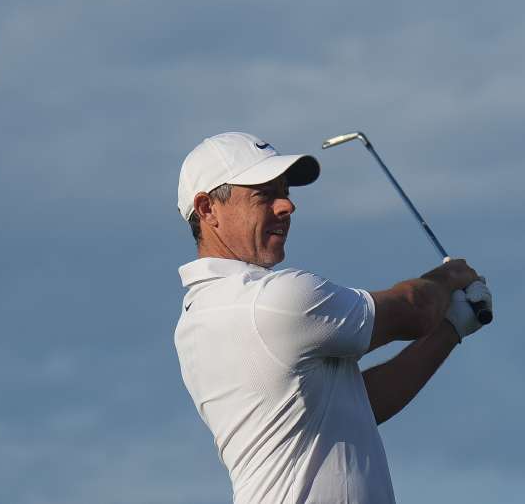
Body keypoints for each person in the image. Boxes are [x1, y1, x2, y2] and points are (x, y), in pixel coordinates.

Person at [173, 131, 492, 504]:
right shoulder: (271, 301)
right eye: (265, 194)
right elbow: (413, 310)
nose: (286, 206)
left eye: (285, 193)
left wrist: (451, 327)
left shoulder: (200, 318)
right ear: (208, 208)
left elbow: (361, 404)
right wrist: (449, 277)